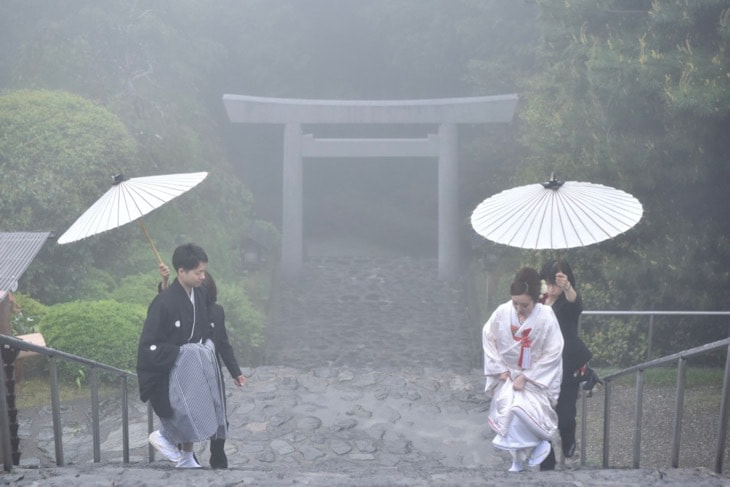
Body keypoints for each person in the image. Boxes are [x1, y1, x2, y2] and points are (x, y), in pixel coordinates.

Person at [137, 243, 227, 468]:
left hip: (194, 366)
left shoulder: (200, 295)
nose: (202, 276)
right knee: (185, 410)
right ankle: (164, 435)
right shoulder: (163, 302)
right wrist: (183, 352)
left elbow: (204, 328)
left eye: (203, 271)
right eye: (198, 272)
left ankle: (187, 457)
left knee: (196, 406)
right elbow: (149, 343)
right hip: (174, 366)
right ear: (181, 272)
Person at [483, 267, 564, 473]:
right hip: (509, 373)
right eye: (515, 303)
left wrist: (527, 377)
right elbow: (488, 335)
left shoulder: (546, 315)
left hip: (535, 376)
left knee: (522, 413)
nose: (519, 308)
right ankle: (518, 459)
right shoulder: (502, 311)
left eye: (524, 304)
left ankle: (538, 446)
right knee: (509, 416)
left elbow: (554, 350)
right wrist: (499, 369)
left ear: (536, 299)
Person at [538, 259, 601, 470]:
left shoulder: (566, 303)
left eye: (556, 281)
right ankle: (545, 463)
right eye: (549, 281)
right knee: (541, 419)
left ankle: (569, 442)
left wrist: (567, 287)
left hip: (567, 368)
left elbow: (576, 305)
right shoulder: (539, 303)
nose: (552, 286)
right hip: (543, 369)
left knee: (565, 418)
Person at [199, 270, 246, 468]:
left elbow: (224, 343)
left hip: (213, 372)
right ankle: (184, 454)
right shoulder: (187, 311)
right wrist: (165, 281)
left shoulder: (217, 311)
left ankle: (217, 454)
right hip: (192, 371)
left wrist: (235, 372)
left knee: (220, 416)